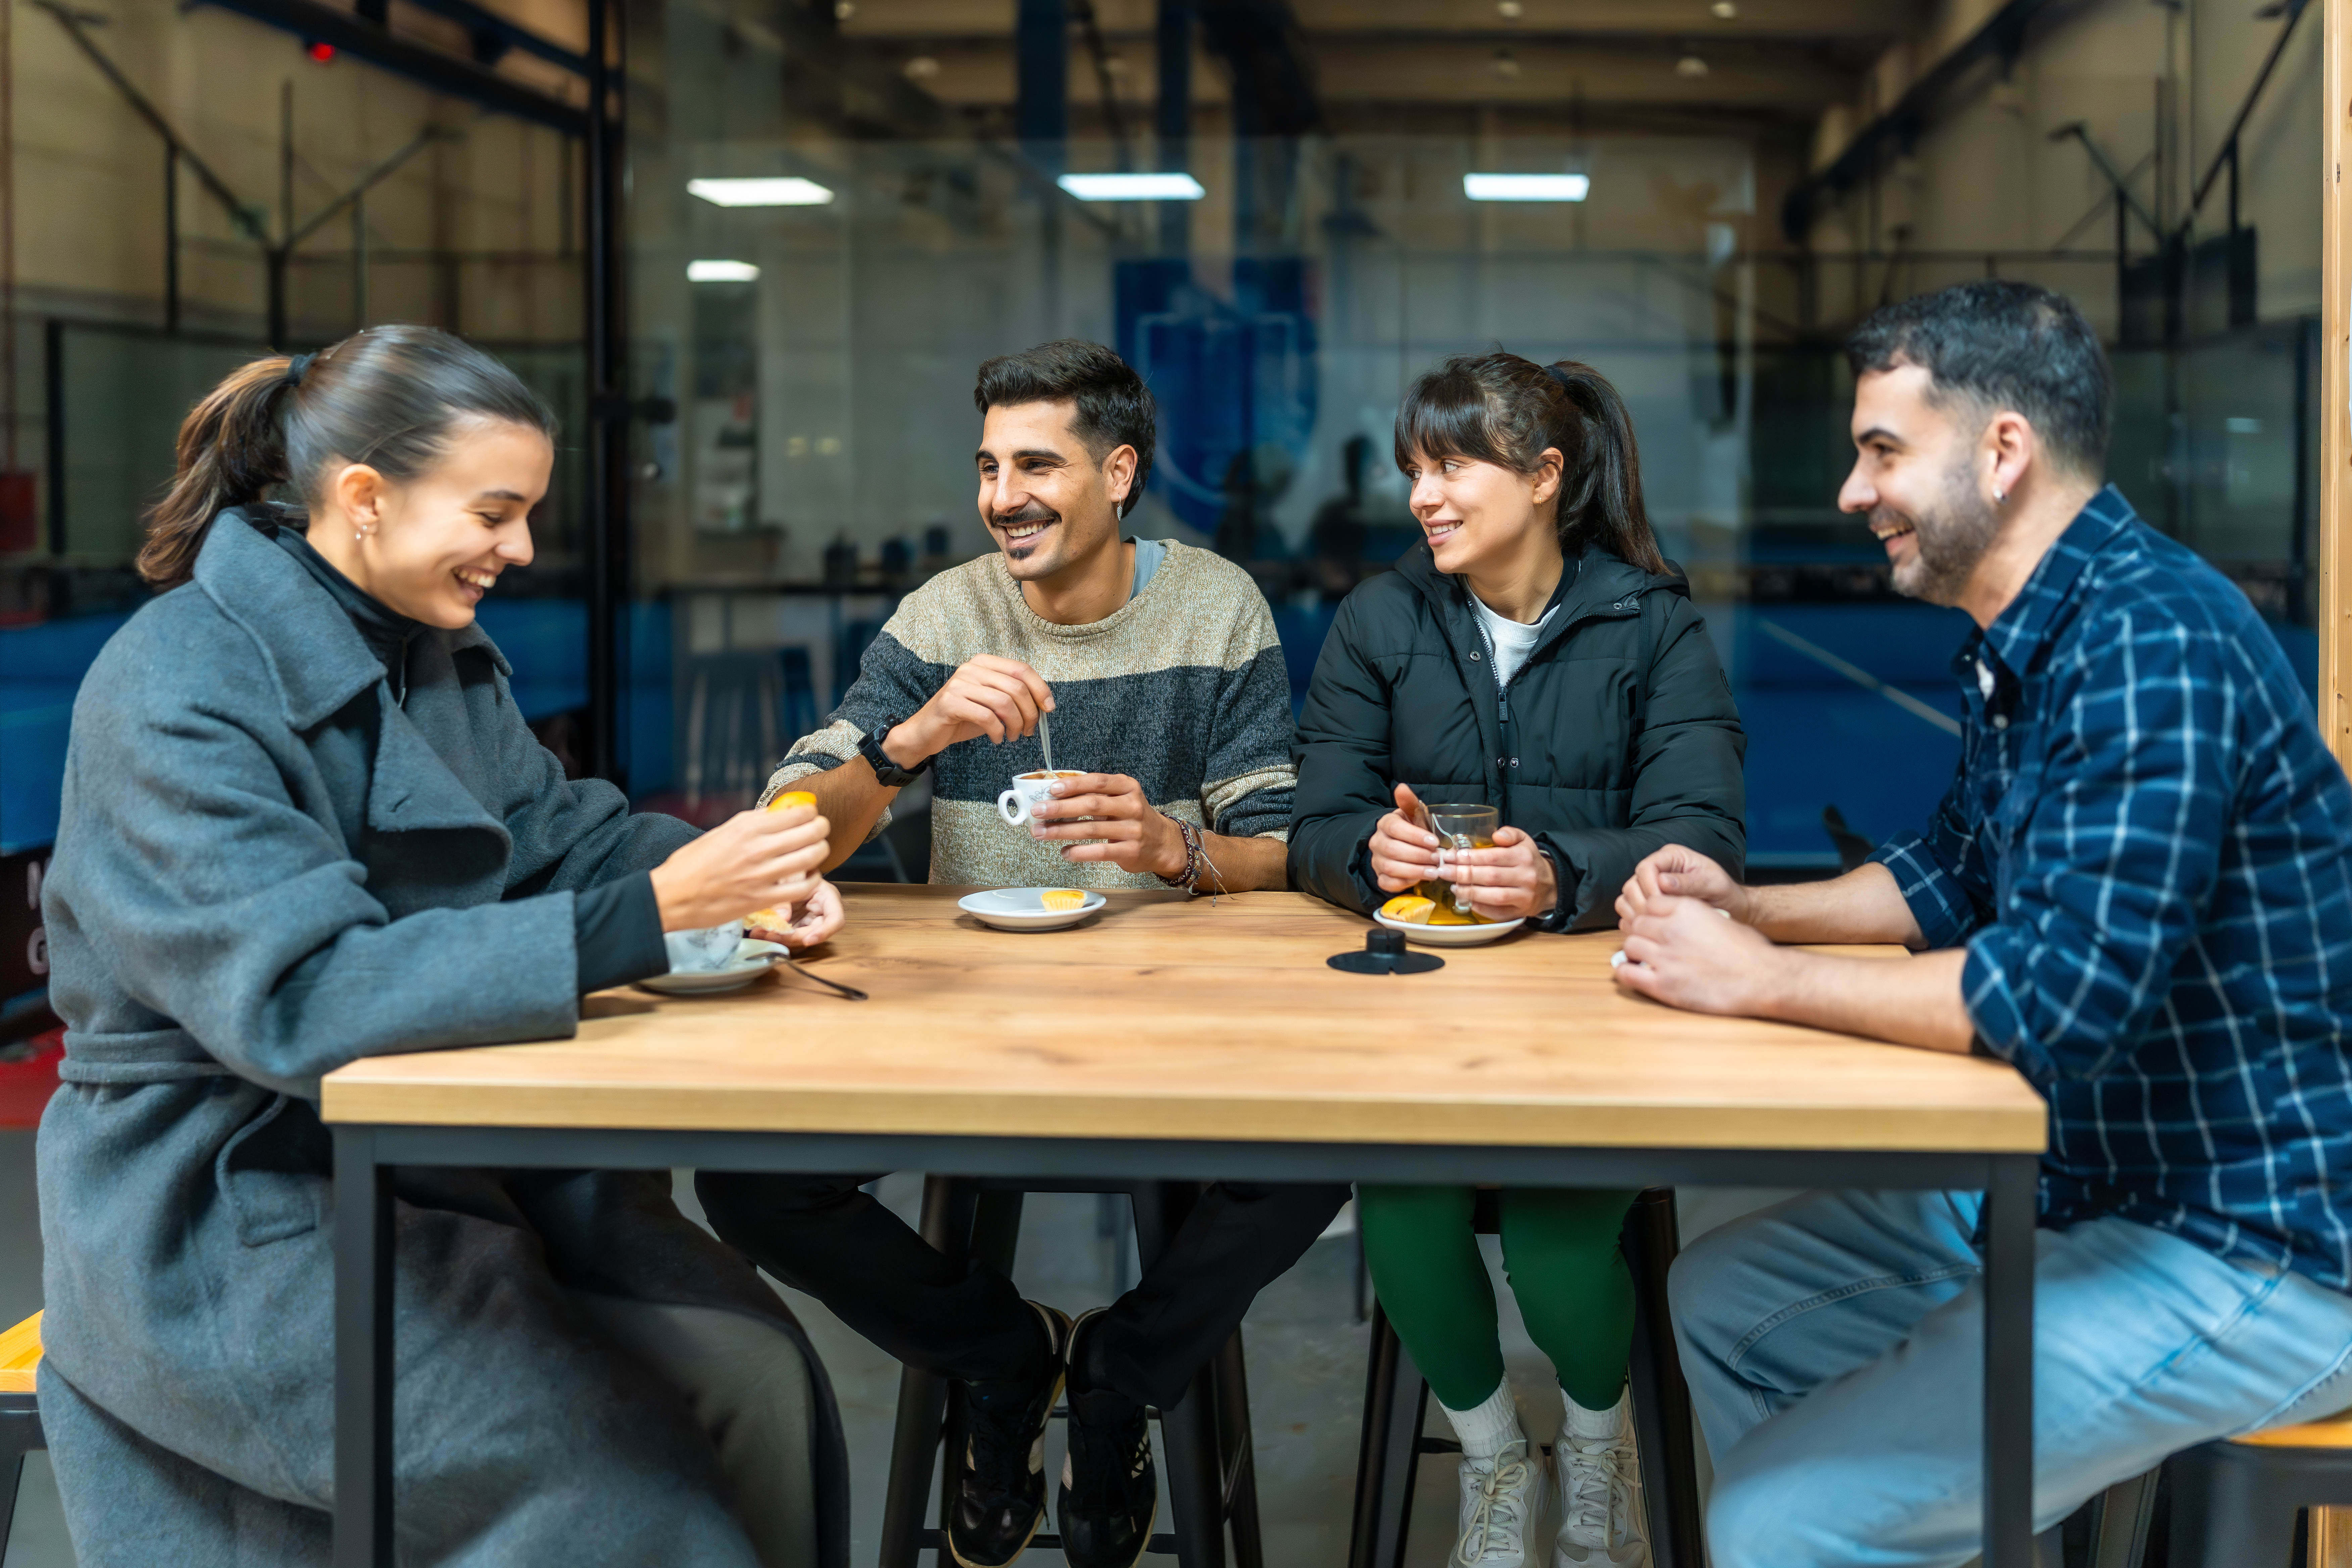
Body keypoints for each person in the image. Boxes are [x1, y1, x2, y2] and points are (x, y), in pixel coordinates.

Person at [36, 326, 853, 1568]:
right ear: (365, 498)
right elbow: (301, 998)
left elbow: (553, 835)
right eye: (496, 511)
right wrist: (657, 913)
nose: (520, 548)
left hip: (434, 1161)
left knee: (759, 1386)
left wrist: (735, 882)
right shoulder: (175, 689)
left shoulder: (430, 655)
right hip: (228, 1201)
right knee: (617, 1506)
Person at [1613, 281, 2352, 1568]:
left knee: (1774, 1523)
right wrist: (1746, 905)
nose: (1854, 491)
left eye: (1883, 450)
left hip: (2255, 1240)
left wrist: (1761, 980)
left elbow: (2058, 1002)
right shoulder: (2025, 636)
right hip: (2089, 1179)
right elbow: (1951, 874)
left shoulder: (2147, 641)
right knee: (1724, 1301)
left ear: (2002, 452)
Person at [694, 339, 1346, 1568]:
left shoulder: (1216, 609)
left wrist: (1175, 848)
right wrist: (912, 741)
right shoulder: (947, 616)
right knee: (746, 1179)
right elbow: (785, 832)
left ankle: (1119, 1377)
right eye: (989, 466)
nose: (1005, 496)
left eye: (1036, 464)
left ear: (1119, 473)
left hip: (1171, 1020)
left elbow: (1289, 848)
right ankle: (1003, 1360)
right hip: (960, 1020)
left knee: (1331, 1149)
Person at [1291, 352, 1745, 1568]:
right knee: (1403, 1218)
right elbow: (1315, 822)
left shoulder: (1653, 625)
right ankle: (1495, 1457)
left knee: (1554, 1250)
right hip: (1423, 1021)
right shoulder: (1381, 620)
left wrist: (1562, 874)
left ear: (1546, 476)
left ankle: (1601, 1447)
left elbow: (1704, 836)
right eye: (1414, 473)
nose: (1423, 496)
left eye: (1452, 467)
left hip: (1600, 1016)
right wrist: (1363, 851)